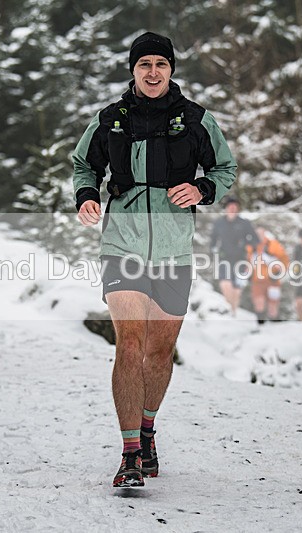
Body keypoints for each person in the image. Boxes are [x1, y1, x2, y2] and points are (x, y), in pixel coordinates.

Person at [72, 31, 237, 488]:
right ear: (133, 70)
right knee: (129, 344)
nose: (152, 72)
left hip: (174, 249)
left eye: (160, 64)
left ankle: (147, 432)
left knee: (159, 352)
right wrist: (87, 195)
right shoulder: (110, 120)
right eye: (144, 64)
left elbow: (225, 169)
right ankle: (129, 454)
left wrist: (202, 189)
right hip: (121, 244)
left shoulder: (195, 120)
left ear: (171, 70)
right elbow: (84, 164)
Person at [209, 196, 258, 316]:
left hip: (241, 259)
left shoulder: (244, 223)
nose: (232, 209)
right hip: (224, 257)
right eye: (230, 207)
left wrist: (246, 244)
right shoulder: (219, 223)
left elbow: (255, 240)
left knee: (237, 289)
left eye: (235, 207)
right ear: (226, 209)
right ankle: (229, 309)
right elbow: (213, 240)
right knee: (225, 283)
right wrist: (213, 250)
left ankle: (233, 312)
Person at [247, 225, 289, 324]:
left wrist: (279, 271)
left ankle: (275, 326)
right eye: (257, 234)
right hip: (257, 280)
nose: (259, 236)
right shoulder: (250, 246)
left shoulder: (273, 245)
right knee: (259, 303)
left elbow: (284, 259)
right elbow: (246, 261)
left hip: (273, 280)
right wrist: (247, 273)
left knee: (273, 306)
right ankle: (260, 325)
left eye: (261, 233)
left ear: (265, 233)